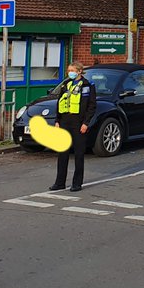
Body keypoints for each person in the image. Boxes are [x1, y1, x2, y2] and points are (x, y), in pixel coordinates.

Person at [50, 62, 95, 192]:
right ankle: (60, 182)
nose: (70, 72)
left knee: (79, 153)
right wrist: (57, 120)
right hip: (65, 121)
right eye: (69, 70)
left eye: (72, 70)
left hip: (79, 122)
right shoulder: (66, 84)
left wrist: (86, 123)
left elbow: (91, 106)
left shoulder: (88, 85)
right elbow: (60, 102)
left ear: (80, 71)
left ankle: (77, 183)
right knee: (62, 153)